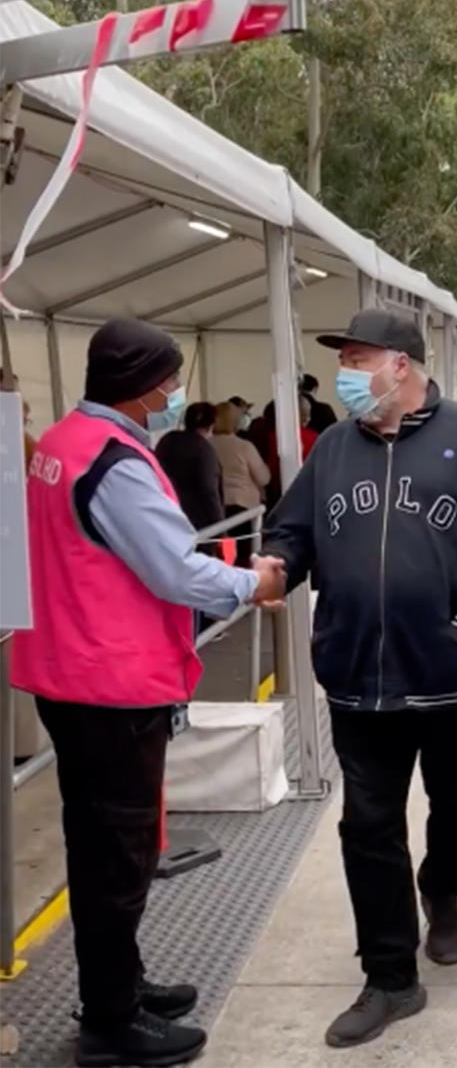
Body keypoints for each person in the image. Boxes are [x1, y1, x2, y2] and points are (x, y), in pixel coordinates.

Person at [263, 309, 457, 1049]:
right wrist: (277, 563)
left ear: (402, 365)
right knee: (368, 826)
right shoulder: (331, 449)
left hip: (454, 680)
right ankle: (390, 975)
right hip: (359, 679)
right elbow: (291, 529)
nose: (345, 375)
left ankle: (444, 885)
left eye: (357, 359)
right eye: (344, 360)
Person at [10, 319, 286, 1068]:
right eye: (167, 379)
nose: (173, 392)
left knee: (98, 844)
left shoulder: (61, 442)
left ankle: (121, 983)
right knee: (119, 856)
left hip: (69, 672)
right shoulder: (113, 462)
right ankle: (110, 1021)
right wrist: (251, 583)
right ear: (140, 386)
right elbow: (172, 569)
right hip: (110, 684)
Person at [210, 401, 271, 568]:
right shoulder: (244, 446)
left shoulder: (206, 445)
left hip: (217, 507)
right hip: (244, 508)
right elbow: (263, 478)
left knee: (222, 557)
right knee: (244, 557)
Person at [155, 402, 224, 533]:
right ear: (211, 426)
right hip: (198, 521)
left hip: (167, 513)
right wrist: (221, 525)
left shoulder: (168, 440)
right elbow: (209, 490)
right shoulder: (203, 449)